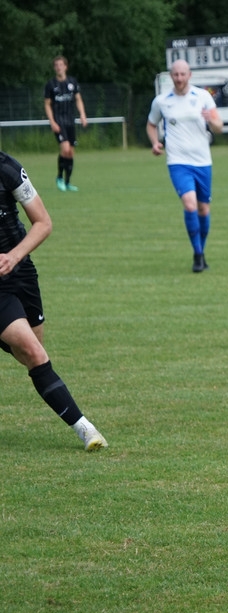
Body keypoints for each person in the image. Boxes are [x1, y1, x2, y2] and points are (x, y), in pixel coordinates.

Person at [0, 150, 107, 451]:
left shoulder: (8, 169)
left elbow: (43, 222)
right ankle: (86, 429)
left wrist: (13, 257)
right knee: (34, 353)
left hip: (21, 271)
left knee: (32, 351)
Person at [146, 60, 224, 273]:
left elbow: (219, 127)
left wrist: (212, 121)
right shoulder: (162, 101)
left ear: (189, 75)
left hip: (202, 161)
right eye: (176, 74)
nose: (179, 78)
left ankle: (202, 251)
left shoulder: (203, 97)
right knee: (190, 205)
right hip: (178, 162)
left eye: (183, 74)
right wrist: (155, 142)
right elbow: (151, 124)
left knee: (203, 209)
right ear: (171, 76)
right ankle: (197, 255)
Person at [43, 55, 88, 192]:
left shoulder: (72, 82)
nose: (59, 67)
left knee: (70, 153)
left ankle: (67, 182)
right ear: (54, 68)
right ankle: (59, 178)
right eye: (56, 65)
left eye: (61, 65)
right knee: (65, 149)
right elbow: (47, 104)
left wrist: (82, 114)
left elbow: (78, 99)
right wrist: (52, 122)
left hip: (70, 121)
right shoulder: (51, 85)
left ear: (65, 67)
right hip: (59, 121)